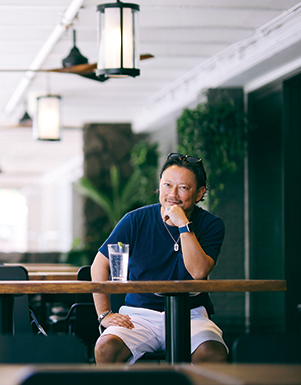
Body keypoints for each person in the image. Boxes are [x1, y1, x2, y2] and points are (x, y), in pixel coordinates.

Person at [91, 152, 228, 364]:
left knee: (212, 354)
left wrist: (184, 225)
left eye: (183, 187)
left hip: (191, 314)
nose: (172, 194)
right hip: (139, 315)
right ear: (159, 185)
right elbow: (100, 263)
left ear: (200, 193)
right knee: (105, 349)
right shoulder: (135, 220)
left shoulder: (211, 225)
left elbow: (198, 272)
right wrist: (104, 314)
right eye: (167, 185)